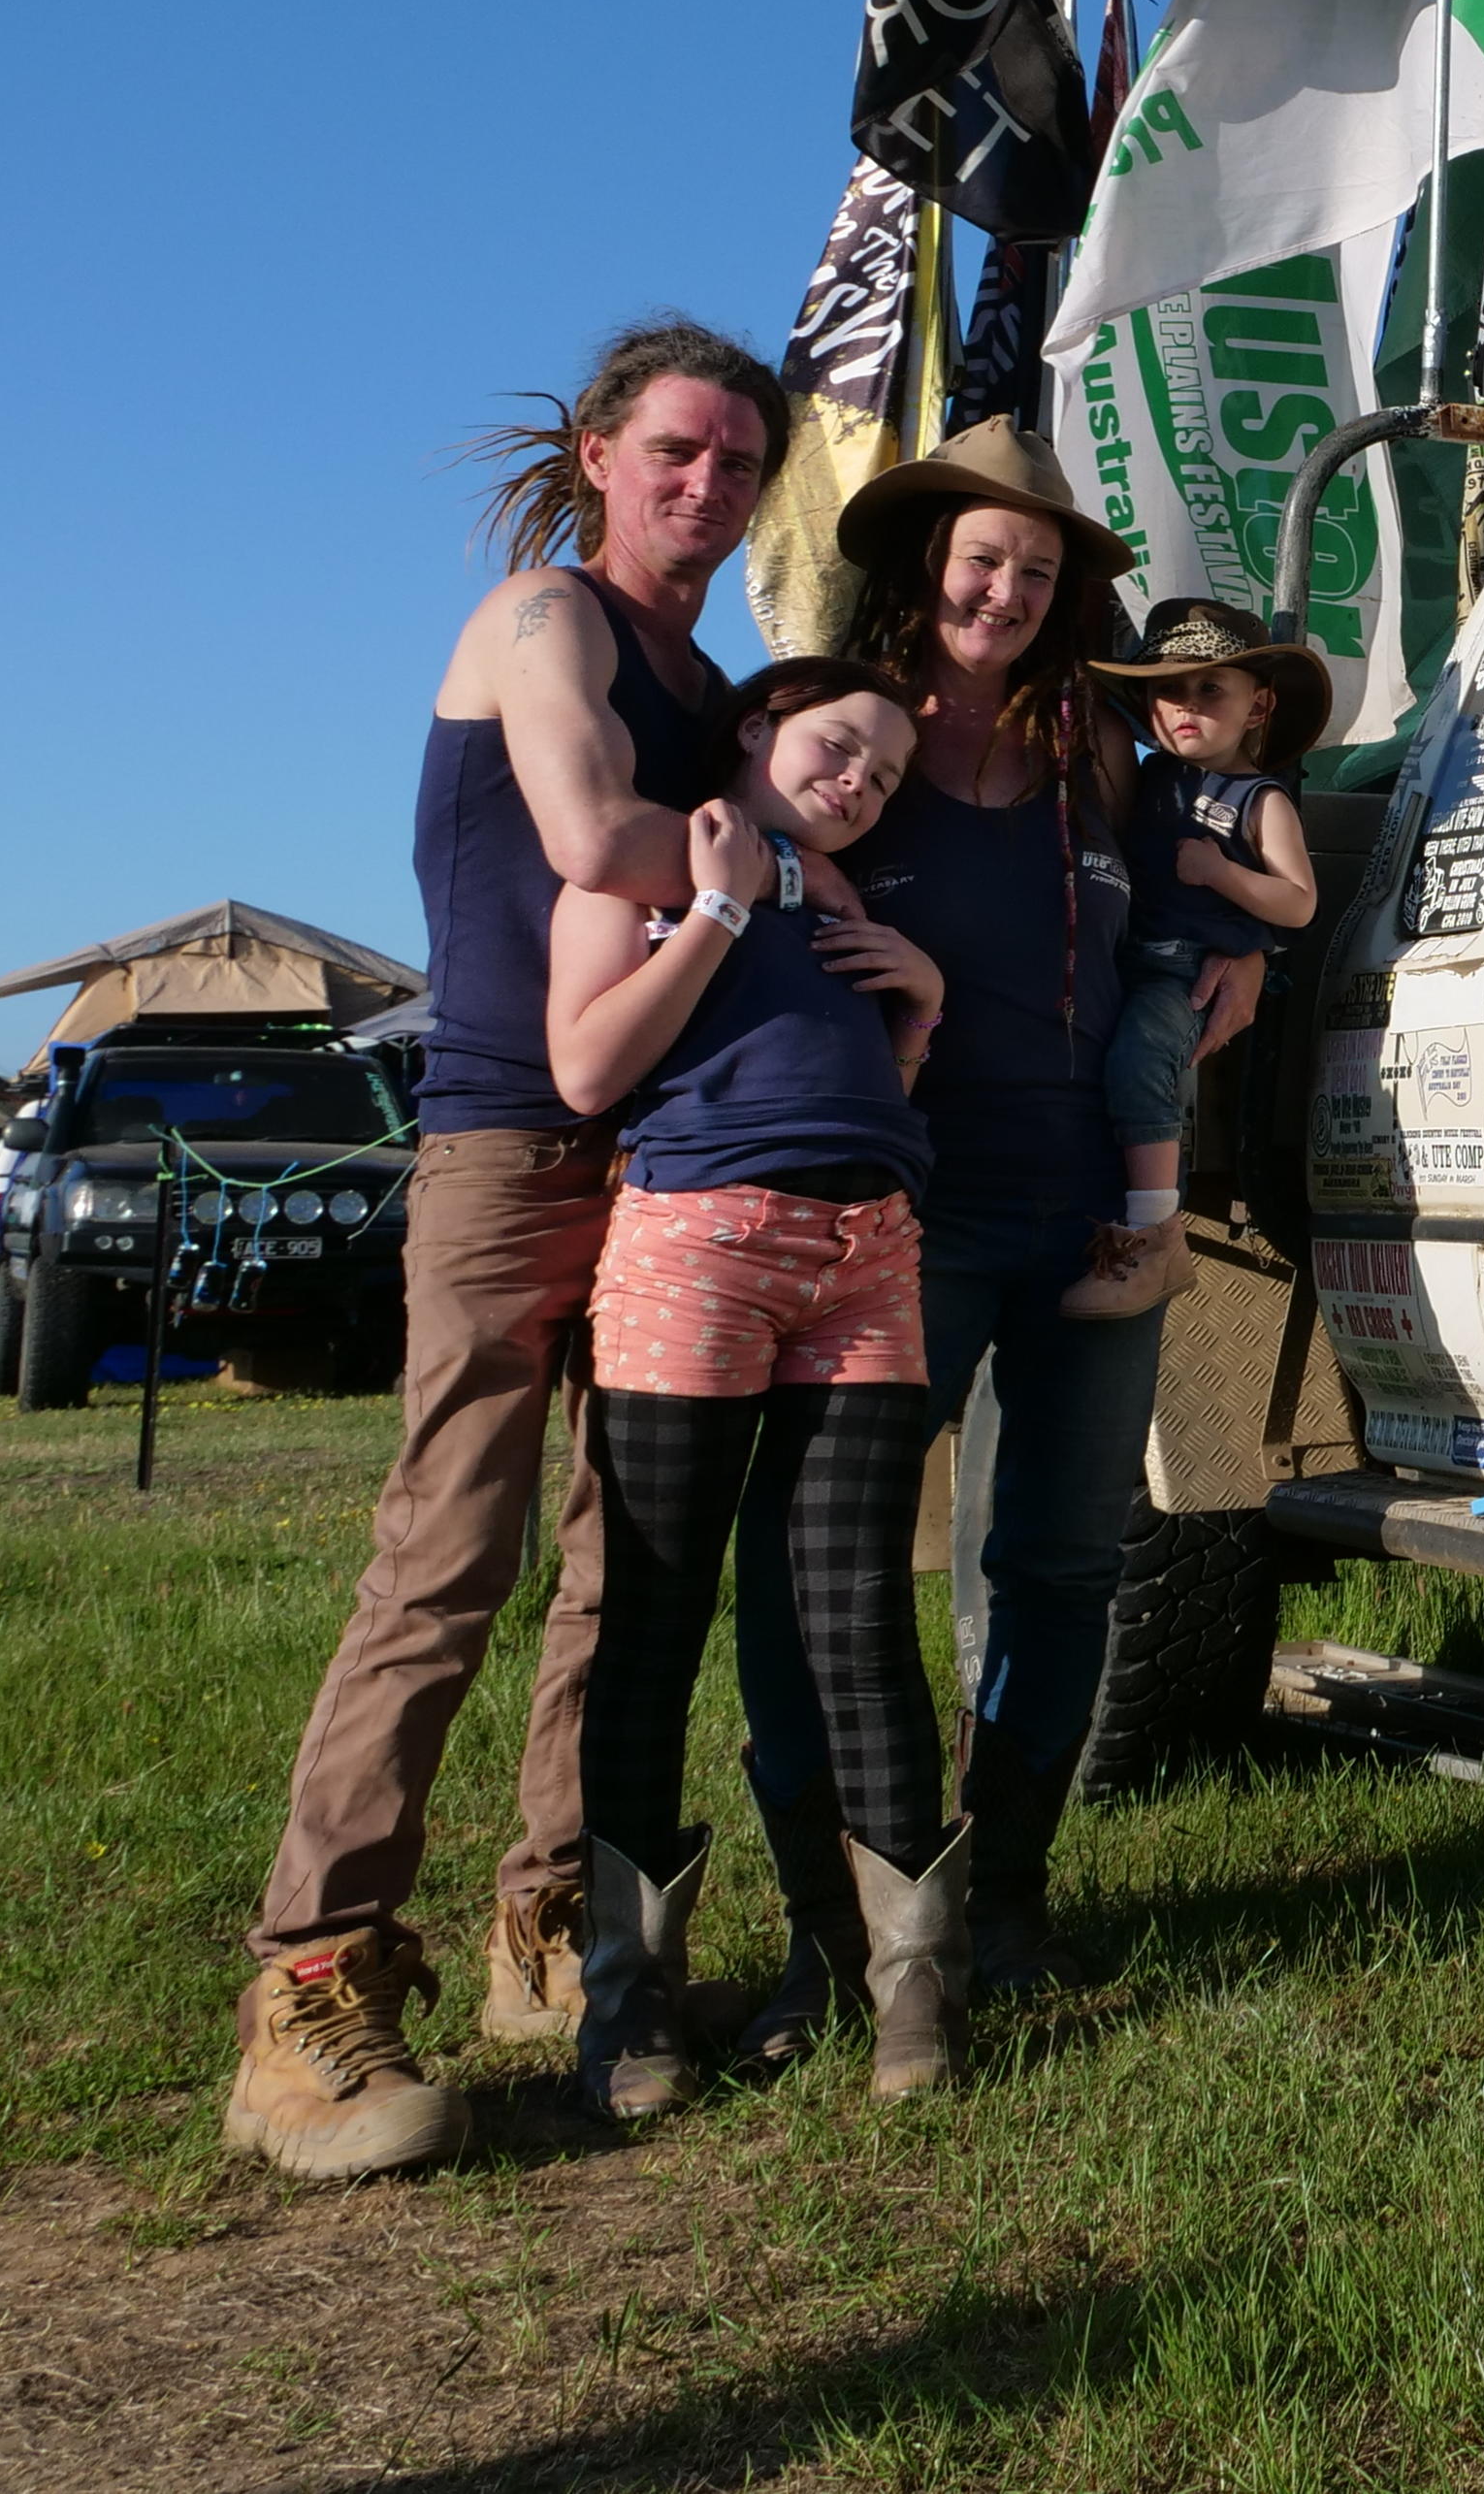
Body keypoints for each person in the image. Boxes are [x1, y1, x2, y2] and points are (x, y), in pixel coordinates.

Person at [224, 318, 811, 2184]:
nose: (706, 487)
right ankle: (307, 1985)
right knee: (449, 1554)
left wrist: (753, 857)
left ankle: (549, 1929)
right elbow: (592, 835)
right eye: (676, 452)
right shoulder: (545, 623)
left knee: (618, 1562)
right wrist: (777, 861)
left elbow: (717, 853)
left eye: (737, 463)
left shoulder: (703, 675)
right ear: (596, 450)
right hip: (500, 1144)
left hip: (656, 1158)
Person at [724, 421, 1266, 2037]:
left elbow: (1200, 879)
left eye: (1039, 568)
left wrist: (1242, 956)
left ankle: (1004, 1899)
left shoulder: (1099, 755)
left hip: (1093, 1217)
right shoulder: (842, 750)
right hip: (895, 1213)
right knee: (818, 1572)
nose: (1011, 587)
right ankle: (840, 1927)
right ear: (923, 570)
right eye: (984, 558)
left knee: (1061, 1561)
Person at [540, 656, 958, 2117]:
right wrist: (716, 909)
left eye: (885, 775)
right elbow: (587, 1068)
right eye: (838, 747)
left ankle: (914, 1982)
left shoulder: (845, 902)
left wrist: (920, 1015)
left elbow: (853, 1085)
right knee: (658, 1610)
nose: (858, 781)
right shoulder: (644, 867)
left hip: (866, 1258)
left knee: (859, 1613)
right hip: (693, 1258)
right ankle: (631, 2001)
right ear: (757, 734)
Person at [1064, 599, 1325, 1321]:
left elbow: (1299, 901)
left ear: (1258, 705)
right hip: (1124, 960)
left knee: (1141, 1060)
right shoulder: (1147, 780)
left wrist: (1223, 875)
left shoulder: (1261, 799)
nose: (1186, 706)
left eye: (1212, 689)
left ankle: (1156, 1236)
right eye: (1169, 690)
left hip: (1185, 968)